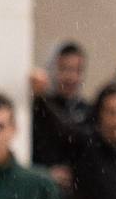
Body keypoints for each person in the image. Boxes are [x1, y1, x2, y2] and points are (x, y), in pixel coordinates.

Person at [28, 41, 92, 185]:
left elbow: (74, 137)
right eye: (64, 69)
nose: (71, 77)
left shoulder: (87, 111)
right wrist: (45, 173)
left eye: (77, 70)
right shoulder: (37, 108)